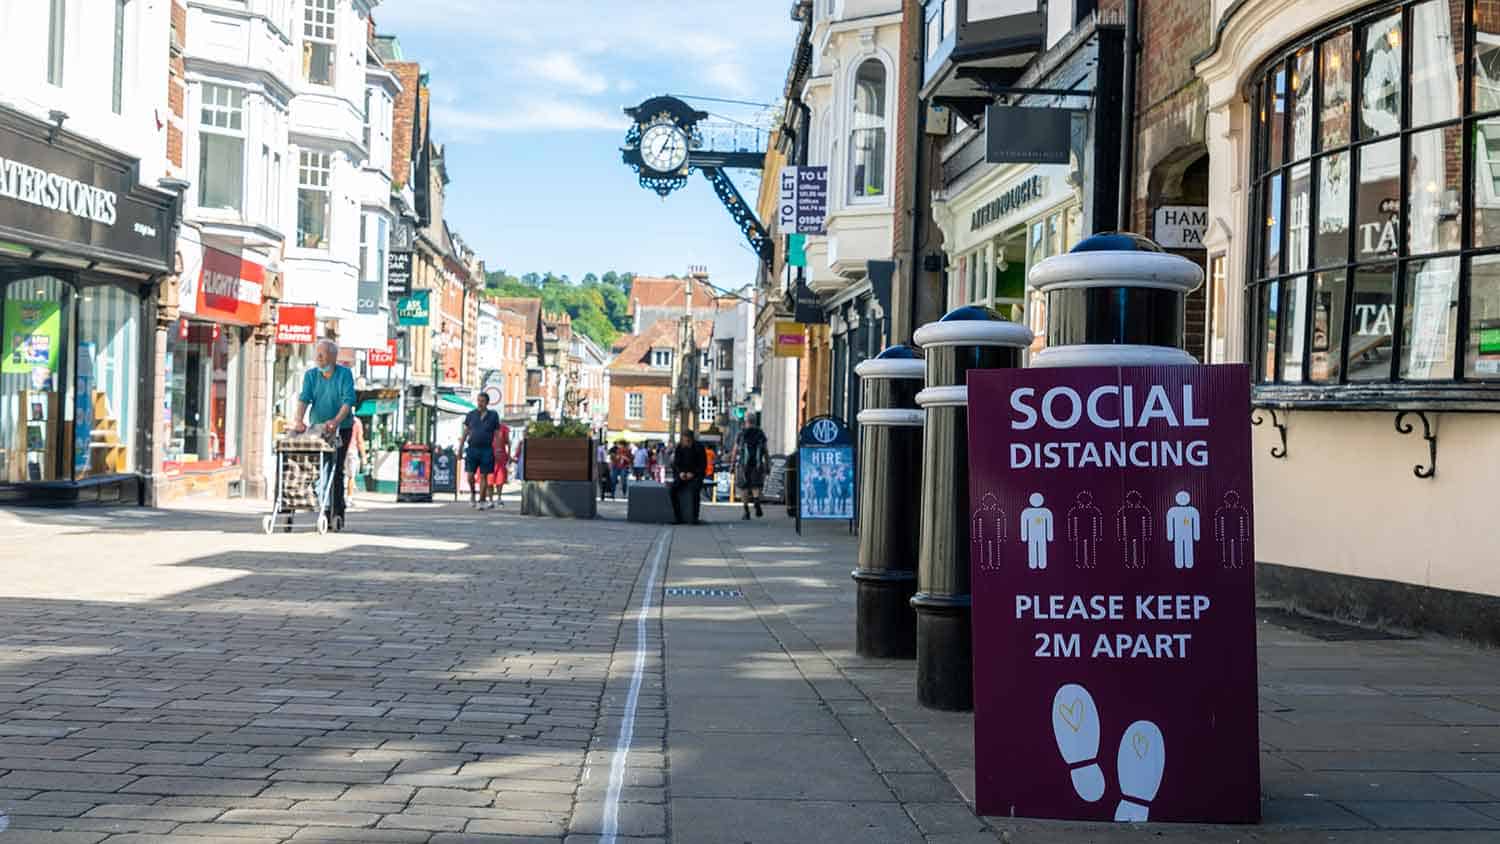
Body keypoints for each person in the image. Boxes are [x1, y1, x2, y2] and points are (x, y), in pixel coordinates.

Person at [292, 339, 357, 522]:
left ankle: (335, 512)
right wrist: (298, 420)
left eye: (322, 354)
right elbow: (304, 399)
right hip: (317, 428)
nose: (318, 358)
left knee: (336, 470)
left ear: (333, 356)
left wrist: (336, 421)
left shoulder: (344, 374)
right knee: (317, 467)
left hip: (341, 428)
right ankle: (321, 504)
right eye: (317, 354)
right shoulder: (311, 375)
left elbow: (348, 401)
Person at [462, 391, 502, 509]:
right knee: (470, 475)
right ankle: (473, 494)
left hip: (486, 449)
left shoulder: (493, 415)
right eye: (478, 401)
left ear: (487, 403)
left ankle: (481, 500)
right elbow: (466, 432)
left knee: (484, 476)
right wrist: (460, 448)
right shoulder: (471, 414)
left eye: (482, 401)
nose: (480, 403)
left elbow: (497, 434)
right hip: (472, 448)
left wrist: (498, 449)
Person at [733, 416, 770, 520]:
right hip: (757, 465)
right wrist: (768, 464)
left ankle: (746, 511)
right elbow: (766, 451)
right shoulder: (760, 434)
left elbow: (735, 451)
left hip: (743, 465)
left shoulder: (741, 434)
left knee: (743, 487)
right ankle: (756, 500)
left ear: (746, 422)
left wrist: (732, 465)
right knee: (756, 485)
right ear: (755, 422)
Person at [670, 430, 708, 525]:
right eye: (685, 441)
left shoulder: (699, 447)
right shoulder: (679, 447)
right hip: (682, 474)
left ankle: (694, 517)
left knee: (694, 490)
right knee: (672, 490)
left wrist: (693, 474)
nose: (686, 443)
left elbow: (703, 465)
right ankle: (677, 517)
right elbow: (676, 463)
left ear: (692, 439)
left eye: (688, 441)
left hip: (696, 475)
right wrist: (680, 473)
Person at [345, 414, 366, 506]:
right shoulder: (357, 422)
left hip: (341, 448)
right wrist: (363, 456)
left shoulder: (340, 419)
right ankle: (349, 498)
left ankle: (338, 496)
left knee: (338, 474)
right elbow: (360, 440)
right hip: (352, 450)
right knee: (351, 476)